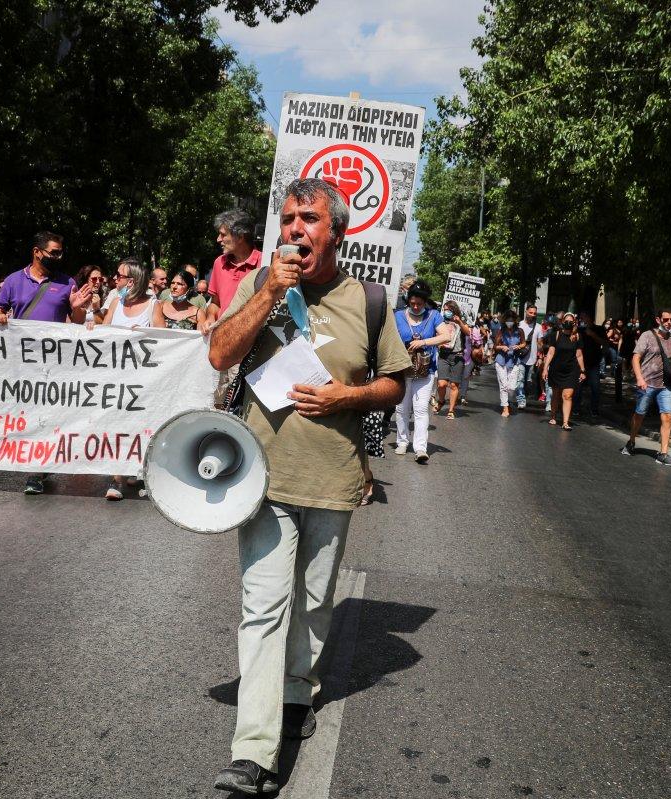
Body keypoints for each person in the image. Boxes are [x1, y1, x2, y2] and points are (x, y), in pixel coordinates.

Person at [208, 178, 409, 794]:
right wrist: (268, 290)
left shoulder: (368, 301)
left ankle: (299, 690)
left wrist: (348, 395)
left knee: (315, 601)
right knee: (263, 606)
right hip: (264, 476)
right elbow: (219, 353)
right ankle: (254, 751)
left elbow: (396, 382)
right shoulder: (260, 284)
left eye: (309, 219)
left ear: (336, 232)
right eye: (288, 218)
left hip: (332, 478)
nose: (295, 228)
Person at [0, 231, 94, 495]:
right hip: (23, 363)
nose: (59, 257)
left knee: (46, 415)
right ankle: (37, 462)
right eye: (54, 252)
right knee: (28, 413)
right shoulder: (14, 280)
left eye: (61, 252)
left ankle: (37, 469)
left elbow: (79, 321)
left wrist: (79, 306)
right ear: (37, 252)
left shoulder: (66, 281)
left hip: (53, 364)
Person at [101, 258, 165, 500]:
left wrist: (145, 335)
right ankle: (116, 479)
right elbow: (103, 336)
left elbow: (164, 342)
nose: (114, 279)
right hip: (115, 380)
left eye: (119, 275)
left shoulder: (153, 306)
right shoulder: (116, 303)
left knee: (140, 427)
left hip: (142, 382)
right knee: (116, 427)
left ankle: (142, 470)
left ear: (133, 280)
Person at [393, 279, 452, 463]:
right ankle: (402, 441)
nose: (416, 307)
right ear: (408, 300)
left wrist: (424, 342)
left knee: (420, 409)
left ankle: (420, 448)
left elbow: (446, 336)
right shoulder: (398, 316)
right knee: (402, 408)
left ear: (425, 302)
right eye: (413, 303)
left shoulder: (434, 316)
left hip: (426, 371)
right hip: (402, 369)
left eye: (420, 303)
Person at [621, 308, 671, 466]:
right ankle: (631, 441)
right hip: (647, 383)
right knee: (639, 414)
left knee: (667, 416)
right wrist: (639, 378)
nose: (669, 323)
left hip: (665, 385)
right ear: (658, 320)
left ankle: (663, 453)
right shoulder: (647, 336)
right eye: (666, 319)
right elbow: (636, 358)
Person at [205, 207, 261, 324]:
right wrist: (210, 318)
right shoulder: (219, 263)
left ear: (240, 237)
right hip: (223, 337)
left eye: (223, 235)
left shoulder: (264, 263)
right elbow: (215, 303)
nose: (218, 239)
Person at [542, 311, 586, 430]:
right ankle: (553, 416)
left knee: (567, 395)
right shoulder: (555, 335)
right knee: (555, 395)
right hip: (556, 369)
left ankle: (565, 422)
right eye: (566, 321)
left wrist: (582, 370)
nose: (568, 323)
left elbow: (579, 355)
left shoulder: (577, 337)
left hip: (571, 370)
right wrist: (545, 368)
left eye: (571, 322)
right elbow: (550, 353)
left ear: (574, 323)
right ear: (562, 322)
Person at [433, 300, 469, 419]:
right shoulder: (441, 322)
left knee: (454, 385)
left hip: (457, 356)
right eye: (444, 310)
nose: (446, 312)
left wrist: (459, 322)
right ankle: (441, 400)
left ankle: (451, 410)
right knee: (442, 384)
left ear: (454, 310)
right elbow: (435, 337)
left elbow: (468, 332)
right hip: (444, 356)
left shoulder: (460, 322)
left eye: (448, 310)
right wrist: (439, 344)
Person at [493, 310, 527, 417]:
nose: (509, 322)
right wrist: (502, 347)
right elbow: (495, 346)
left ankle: (507, 401)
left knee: (512, 387)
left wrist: (519, 346)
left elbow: (524, 343)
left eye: (511, 320)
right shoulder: (501, 331)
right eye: (507, 320)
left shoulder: (520, 331)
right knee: (503, 385)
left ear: (515, 321)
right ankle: (505, 408)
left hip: (515, 360)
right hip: (501, 360)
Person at [578, 312, 606, 417]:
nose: (582, 320)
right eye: (581, 318)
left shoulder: (599, 329)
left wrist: (592, 335)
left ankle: (594, 409)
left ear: (589, 318)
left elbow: (604, 343)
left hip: (594, 362)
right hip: (581, 362)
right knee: (578, 387)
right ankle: (576, 408)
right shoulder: (579, 329)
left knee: (595, 387)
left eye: (583, 317)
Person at [516, 303, 540, 411]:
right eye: (530, 312)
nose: (532, 315)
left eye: (534, 313)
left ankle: (523, 396)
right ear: (526, 312)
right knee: (520, 380)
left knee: (528, 381)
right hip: (520, 358)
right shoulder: (519, 325)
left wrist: (540, 358)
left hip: (532, 359)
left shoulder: (538, 327)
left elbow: (540, 344)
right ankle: (521, 400)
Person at [74, 264, 107, 330]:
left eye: (100, 279)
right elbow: (75, 322)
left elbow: (104, 324)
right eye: (94, 279)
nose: (98, 282)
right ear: (86, 280)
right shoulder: (76, 297)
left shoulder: (104, 297)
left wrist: (97, 309)